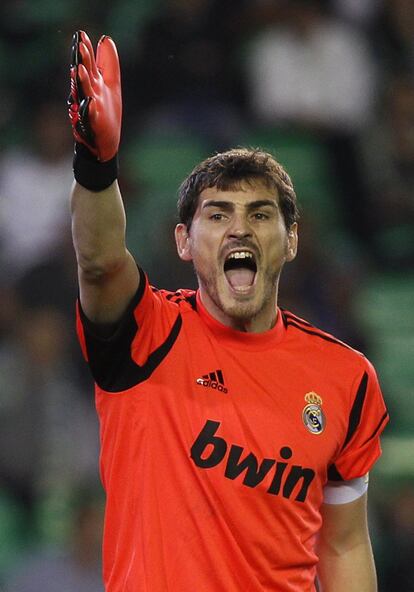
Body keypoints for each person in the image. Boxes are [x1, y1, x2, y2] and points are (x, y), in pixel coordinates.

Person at [67, 30, 389, 591]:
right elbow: (99, 263)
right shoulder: (148, 334)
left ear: (290, 241)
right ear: (183, 242)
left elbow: (343, 542)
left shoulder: (347, 378)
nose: (240, 227)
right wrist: (98, 166)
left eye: (261, 215)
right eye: (217, 215)